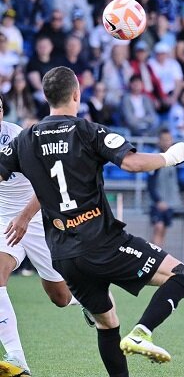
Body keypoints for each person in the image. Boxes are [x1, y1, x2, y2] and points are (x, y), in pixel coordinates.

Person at [0, 66, 184, 376]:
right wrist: (170, 156)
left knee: (106, 323)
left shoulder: (25, 139)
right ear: (77, 95)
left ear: (46, 97)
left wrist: (23, 214)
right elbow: (132, 163)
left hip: (64, 254)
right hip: (101, 241)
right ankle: (143, 332)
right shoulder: (87, 131)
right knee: (183, 275)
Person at [0, 96, 92, 376]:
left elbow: (49, 182)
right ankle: (17, 359)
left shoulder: (18, 138)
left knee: (60, 297)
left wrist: (26, 218)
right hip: (3, 222)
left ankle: (86, 298)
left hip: (36, 218)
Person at [148, 129, 184, 247]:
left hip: (171, 203)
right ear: (159, 141)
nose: (166, 142)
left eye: (169, 139)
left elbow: (177, 180)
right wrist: (158, 201)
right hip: (158, 204)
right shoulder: (154, 158)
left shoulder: (175, 159)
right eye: (164, 140)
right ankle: (153, 259)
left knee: (163, 231)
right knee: (158, 227)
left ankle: (157, 260)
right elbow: (150, 184)